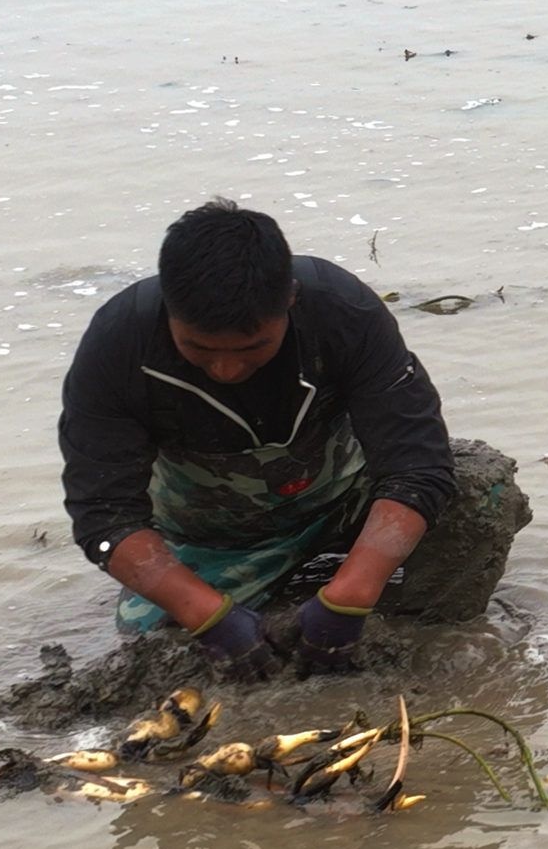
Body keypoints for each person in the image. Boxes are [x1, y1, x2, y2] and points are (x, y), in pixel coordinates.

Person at [59, 200, 461, 671]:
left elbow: (417, 468)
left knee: (479, 503)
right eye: (199, 348)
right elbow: (104, 517)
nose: (227, 369)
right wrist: (204, 612)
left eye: (254, 348)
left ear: (289, 300)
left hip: (345, 499)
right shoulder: (118, 344)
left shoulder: (343, 312)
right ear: (169, 309)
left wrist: (351, 594)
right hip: (214, 537)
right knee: (161, 655)